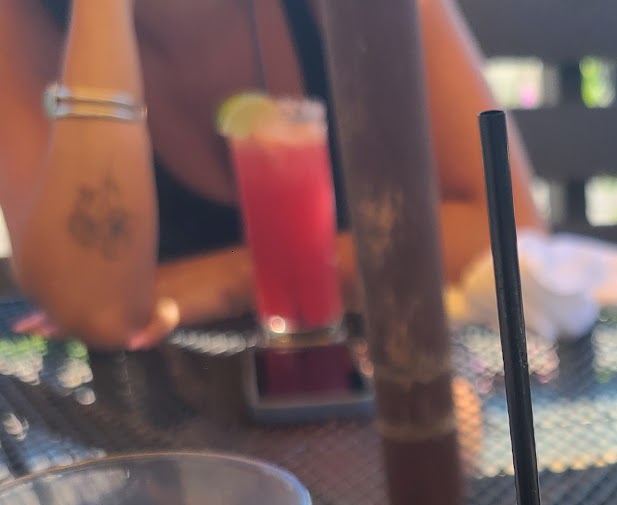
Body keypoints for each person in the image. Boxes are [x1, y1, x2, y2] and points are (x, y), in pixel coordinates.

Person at [0, 0, 542, 347]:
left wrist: (237, 279)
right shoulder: (24, 18)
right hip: (174, 443)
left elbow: (505, 228)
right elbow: (101, 310)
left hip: (393, 397)